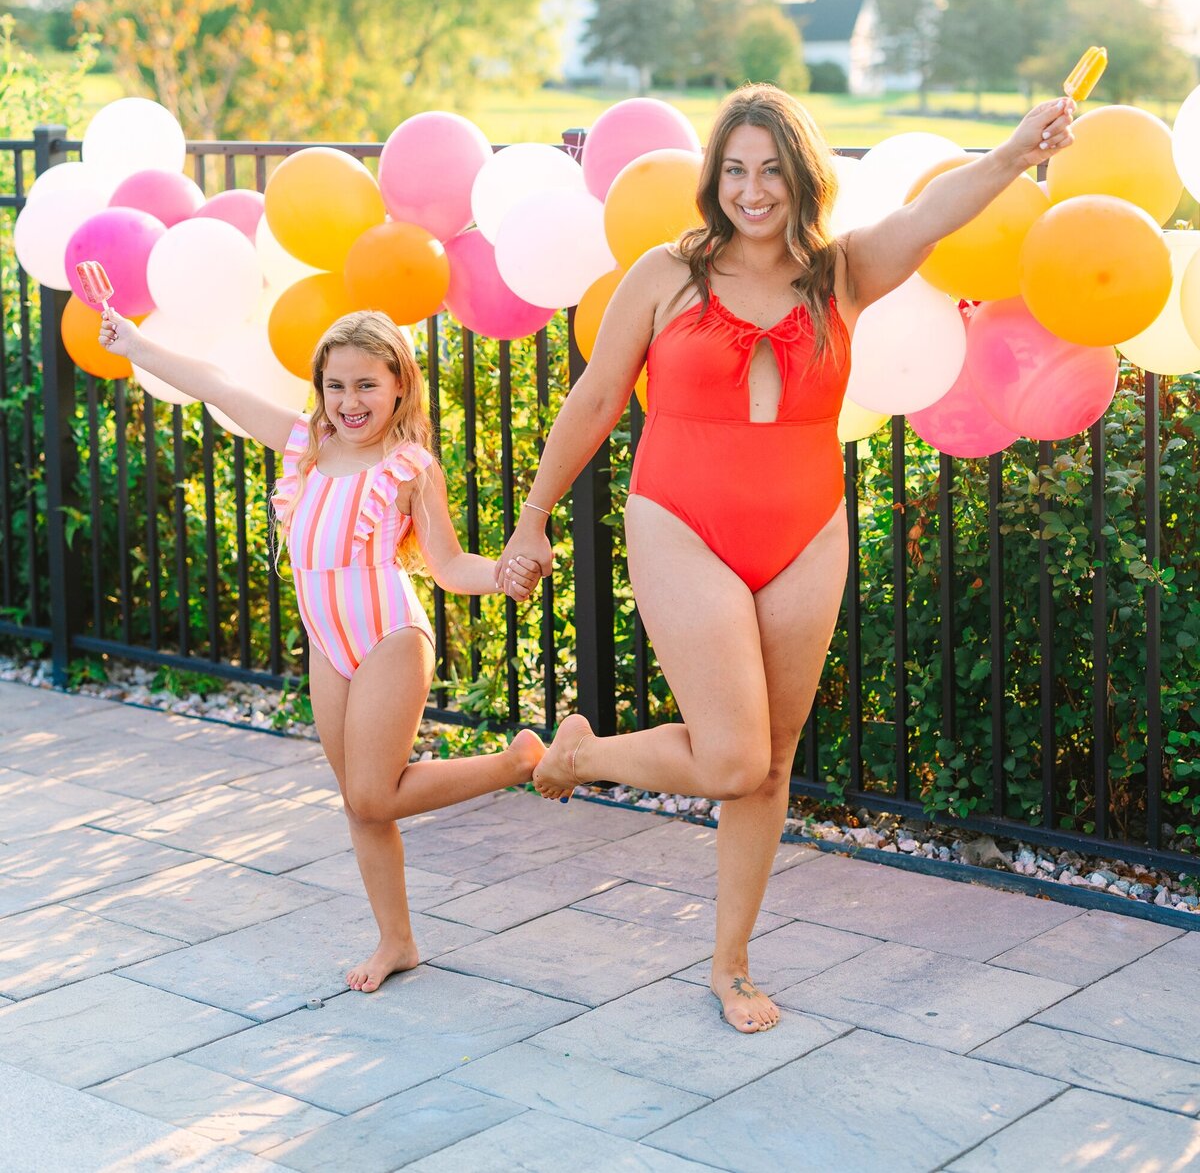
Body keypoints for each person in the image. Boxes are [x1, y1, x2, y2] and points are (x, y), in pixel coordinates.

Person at [499, 83, 1075, 1033]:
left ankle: (730, 966)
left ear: (800, 176)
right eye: (734, 168)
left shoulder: (840, 272)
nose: (752, 188)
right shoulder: (664, 274)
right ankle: (588, 754)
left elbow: (934, 210)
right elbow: (597, 397)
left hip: (808, 529)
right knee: (728, 752)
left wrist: (1017, 150)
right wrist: (532, 519)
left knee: (767, 764)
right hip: (681, 520)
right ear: (712, 177)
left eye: (771, 168)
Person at [100, 306, 545, 994]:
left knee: (373, 793)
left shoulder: (409, 467)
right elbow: (215, 385)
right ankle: (397, 939)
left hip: (389, 635)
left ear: (399, 383)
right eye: (336, 386)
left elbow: (450, 564)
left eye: (366, 384)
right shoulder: (302, 444)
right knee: (358, 802)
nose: (350, 401)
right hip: (328, 645)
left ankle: (518, 760)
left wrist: (505, 574)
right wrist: (133, 342)